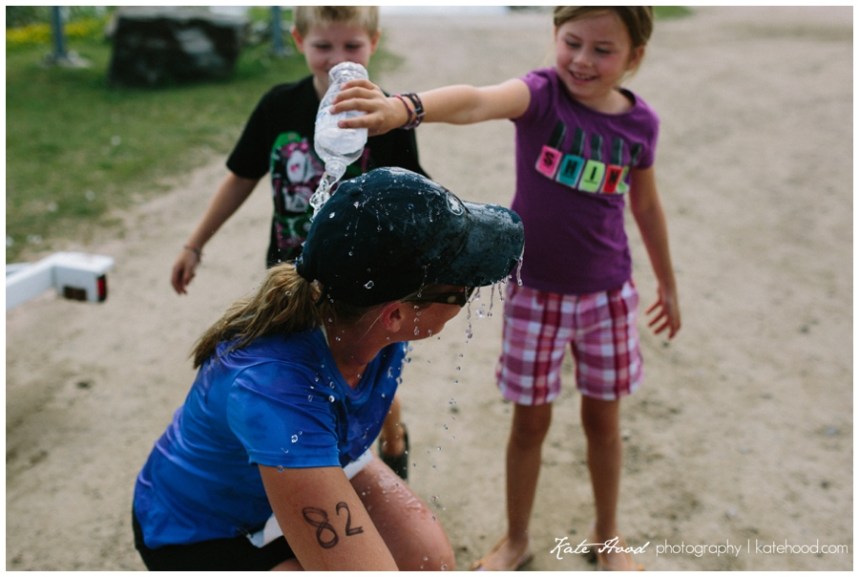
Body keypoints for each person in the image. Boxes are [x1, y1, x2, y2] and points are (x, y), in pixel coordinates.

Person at [334, 6, 681, 571]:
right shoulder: (542, 95)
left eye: (602, 50)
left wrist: (667, 282)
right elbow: (476, 100)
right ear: (555, 35)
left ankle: (607, 535)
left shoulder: (640, 124)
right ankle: (517, 538)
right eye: (572, 41)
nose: (582, 60)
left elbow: (646, 204)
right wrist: (403, 108)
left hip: (607, 297)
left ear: (634, 56)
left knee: (604, 424)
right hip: (535, 295)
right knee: (530, 424)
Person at [133, 167, 526, 571]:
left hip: (296, 466)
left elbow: (366, 393)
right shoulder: (275, 391)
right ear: (396, 314)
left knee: (429, 561)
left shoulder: (359, 314)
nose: (467, 294)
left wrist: (394, 445)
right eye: (462, 290)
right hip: (197, 532)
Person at [169, 6, 422, 479]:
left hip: (365, 279)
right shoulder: (278, 106)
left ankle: (392, 439)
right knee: (299, 368)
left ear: (373, 43)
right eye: (323, 46)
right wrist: (194, 244)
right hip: (293, 274)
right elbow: (241, 177)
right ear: (299, 40)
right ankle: (321, 460)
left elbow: (413, 191)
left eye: (352, 46)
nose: (336, 59)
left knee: (366, 369)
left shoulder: (384, 113)